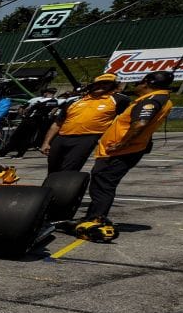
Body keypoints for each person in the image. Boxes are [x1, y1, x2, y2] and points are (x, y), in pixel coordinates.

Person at [75, 70, 175, 243]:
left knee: (103, 184)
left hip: (122, 151)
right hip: (123, 150)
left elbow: (141, 123)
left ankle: (96, 219)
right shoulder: (160, 99)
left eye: (139, 82)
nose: (136, 85)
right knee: (101, 182)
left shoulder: (151, 101)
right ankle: (93, 216)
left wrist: (123, 143)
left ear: (148, 82)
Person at [41, 73, 121, 174]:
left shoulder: (118, 99)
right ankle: (49, 188)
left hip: (87, 138)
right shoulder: (74, 101)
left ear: (113, 86)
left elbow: (124, 120)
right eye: (98, 83)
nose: (101, 86)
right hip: (61, 137)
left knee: (69, 169)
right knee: (53, 167)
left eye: (106, 83)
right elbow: (57, 123)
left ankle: (64, 188)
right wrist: (46, 142)